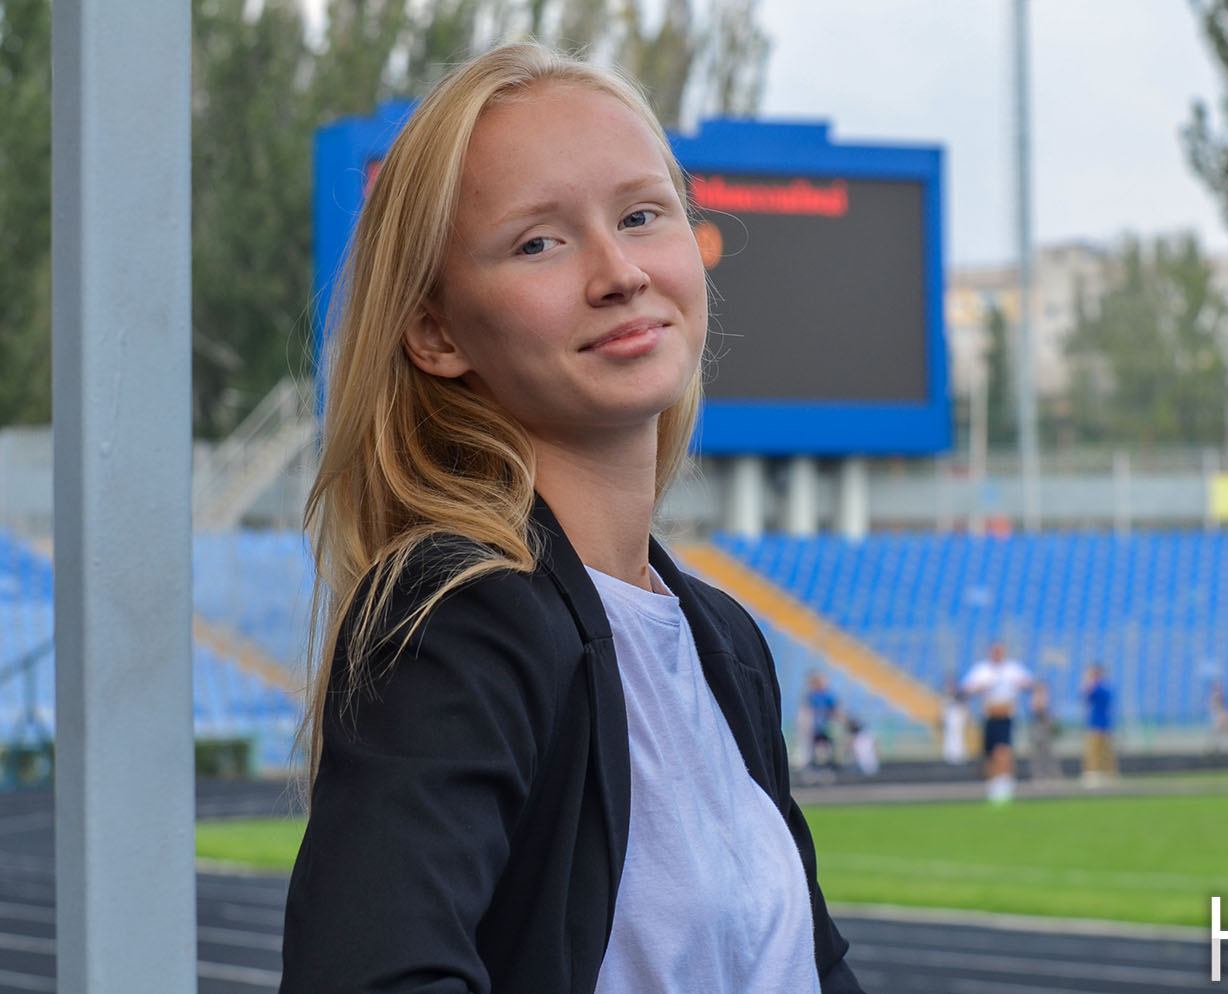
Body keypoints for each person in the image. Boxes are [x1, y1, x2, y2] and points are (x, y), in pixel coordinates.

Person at [278, 43, 862, 994]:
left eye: (641, 216)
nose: (620, 272)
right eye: (539, 243)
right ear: (435, 331)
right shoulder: (459, 620)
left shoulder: (723, 641)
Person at [958, 641, 1032, 803]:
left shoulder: (1012, 668)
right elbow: (966, 688)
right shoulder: (982, 669)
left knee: (1003, 750)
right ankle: (993, 783)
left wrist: (1020, 685)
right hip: (989, 716)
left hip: (1005, 716)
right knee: (990, 752)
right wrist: (980, 688)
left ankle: (1005, 782)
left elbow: (1028, 683)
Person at [1081, 663, 1117, 785]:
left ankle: (1097, 773)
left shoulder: (1100, 688)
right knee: (1102, 751)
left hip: (1098, 724)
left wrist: (1087, 680)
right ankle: (1104, 773)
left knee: (1096, 751)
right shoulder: (1103, 687)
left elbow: (1087, 692)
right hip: (1099, 723)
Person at [1027, 680, 1060, 781]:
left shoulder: (1047, 698)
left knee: (1048, 752)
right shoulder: (1035, 698)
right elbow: (1036, 709)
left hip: (1045, 728)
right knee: (1038, 752)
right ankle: (1039, 774)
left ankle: (1052, 773)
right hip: (1039, 728)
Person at [940, 676, 969, 765]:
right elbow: (944, 709)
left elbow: (963, 708)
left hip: (957, 719)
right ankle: (950, 755)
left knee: (958, 736)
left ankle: (958, 755)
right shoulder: (946, 696)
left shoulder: (959, 695)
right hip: (950, 720)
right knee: (950, 737)